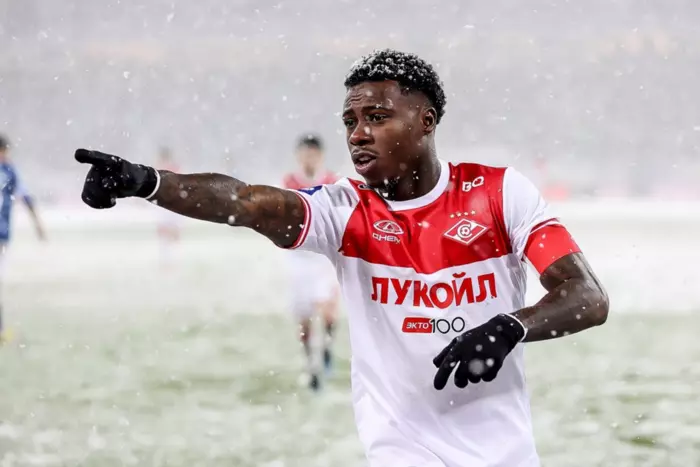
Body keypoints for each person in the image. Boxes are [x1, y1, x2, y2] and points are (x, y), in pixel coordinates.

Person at [74, 49, 609, 466]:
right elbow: (246, 201)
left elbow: (587, 296)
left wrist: (510, 327)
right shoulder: (344, 209)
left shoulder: (499, 194)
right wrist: (147, 182)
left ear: (426, 121)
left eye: (377, 116)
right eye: (350, 120)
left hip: (505, 453)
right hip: (402, 450)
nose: (358, 134)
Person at [281, 134, 340, 391]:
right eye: (305, 153)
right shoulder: (288, 183)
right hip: (298, 259)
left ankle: (325, 350)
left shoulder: (332, 182)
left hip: (323, 257)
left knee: (327, 310)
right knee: (304, 319)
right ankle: (310, 363)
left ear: (320, 156)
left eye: (313, 154)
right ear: (298, 156)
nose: (309, 158)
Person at [0, 134, 46, 341]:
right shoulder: (9, 171)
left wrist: (38, 224)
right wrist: (38, 224)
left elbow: (25, 196)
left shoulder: (10, 171)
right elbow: (25, 197)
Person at [154, 146, 181, 268]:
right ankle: (172, 261)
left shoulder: (158, 170)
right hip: (172, 206)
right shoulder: (174, 169)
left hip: (165, 207)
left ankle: (168, 262)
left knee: (166, 236)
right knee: (172, 235)